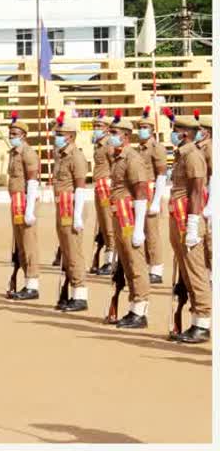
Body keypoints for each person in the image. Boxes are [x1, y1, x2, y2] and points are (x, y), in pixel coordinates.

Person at [164, 110, 211, 343]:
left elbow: (195, 193)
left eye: (175, 131)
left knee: (195, 271)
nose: (172, 134)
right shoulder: (182, 154)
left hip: (188, 217)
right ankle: (194, 321)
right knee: (185, 271)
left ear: (184, 133)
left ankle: (202, 322)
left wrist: (193, 225)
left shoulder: (193, 156)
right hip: (178, 214)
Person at [107, 112, 150, 328]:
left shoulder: (133, 159)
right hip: (118, 215)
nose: (110, 136)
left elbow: (141, 192)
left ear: (125, 136)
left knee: (135, 263)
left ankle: (140, 310)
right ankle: (134, 307)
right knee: (125, 262)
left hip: (128, 217)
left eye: (113, 133)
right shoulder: (118, 158)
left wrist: (139, 228)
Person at [52, 111, 89, 312]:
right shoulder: (59, 154)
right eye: (56, 133)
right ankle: (70, 291)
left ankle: (80, 294)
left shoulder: (76, 156)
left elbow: (81, 187)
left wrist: (77, 216)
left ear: (71, 136)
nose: (57, 136)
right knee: (66, 251)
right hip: (61, 207)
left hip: (72, 207)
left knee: (74, 251)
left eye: (61, 133)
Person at [6, 112, 41, 300]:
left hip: (25, 202)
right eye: (10, 134)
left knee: (29, 244)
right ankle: (26, 282)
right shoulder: (13, 153)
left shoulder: (28, 153)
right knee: (20, 245)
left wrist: (29, 210)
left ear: (23, 136)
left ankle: (32, 283)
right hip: (16, 202)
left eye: (15, 134)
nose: (12, 137)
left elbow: (33, 181)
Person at [136, 106, 168, 284]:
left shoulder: (157, 148)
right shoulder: (139, 148)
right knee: (141, 230)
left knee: (151, 231)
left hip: (151, 191)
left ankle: (156, 268)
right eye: (140, 127)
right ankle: (147, 265)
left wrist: (156, 201)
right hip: (140, 192)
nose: (141, 130)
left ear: (152, 130)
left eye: (145, 127)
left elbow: (162, 175)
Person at [91, 109, 115, 275]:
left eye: (99, 125)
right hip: (99, 186)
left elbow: (115, 166)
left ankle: (111, 260)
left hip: (107, 186)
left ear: (107, 128)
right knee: (102, 223)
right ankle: (107, 258)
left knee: (108, 223)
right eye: (95, 125)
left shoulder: (108, 145)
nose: (96, 128)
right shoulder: (98, 144)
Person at [196, 113, 213, 277]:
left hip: (210, 197)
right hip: (202, 196)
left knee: (210, 240)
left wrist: (211, 204)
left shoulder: (211, 148)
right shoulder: (199, 147)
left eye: (200, 130)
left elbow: (214, 176)